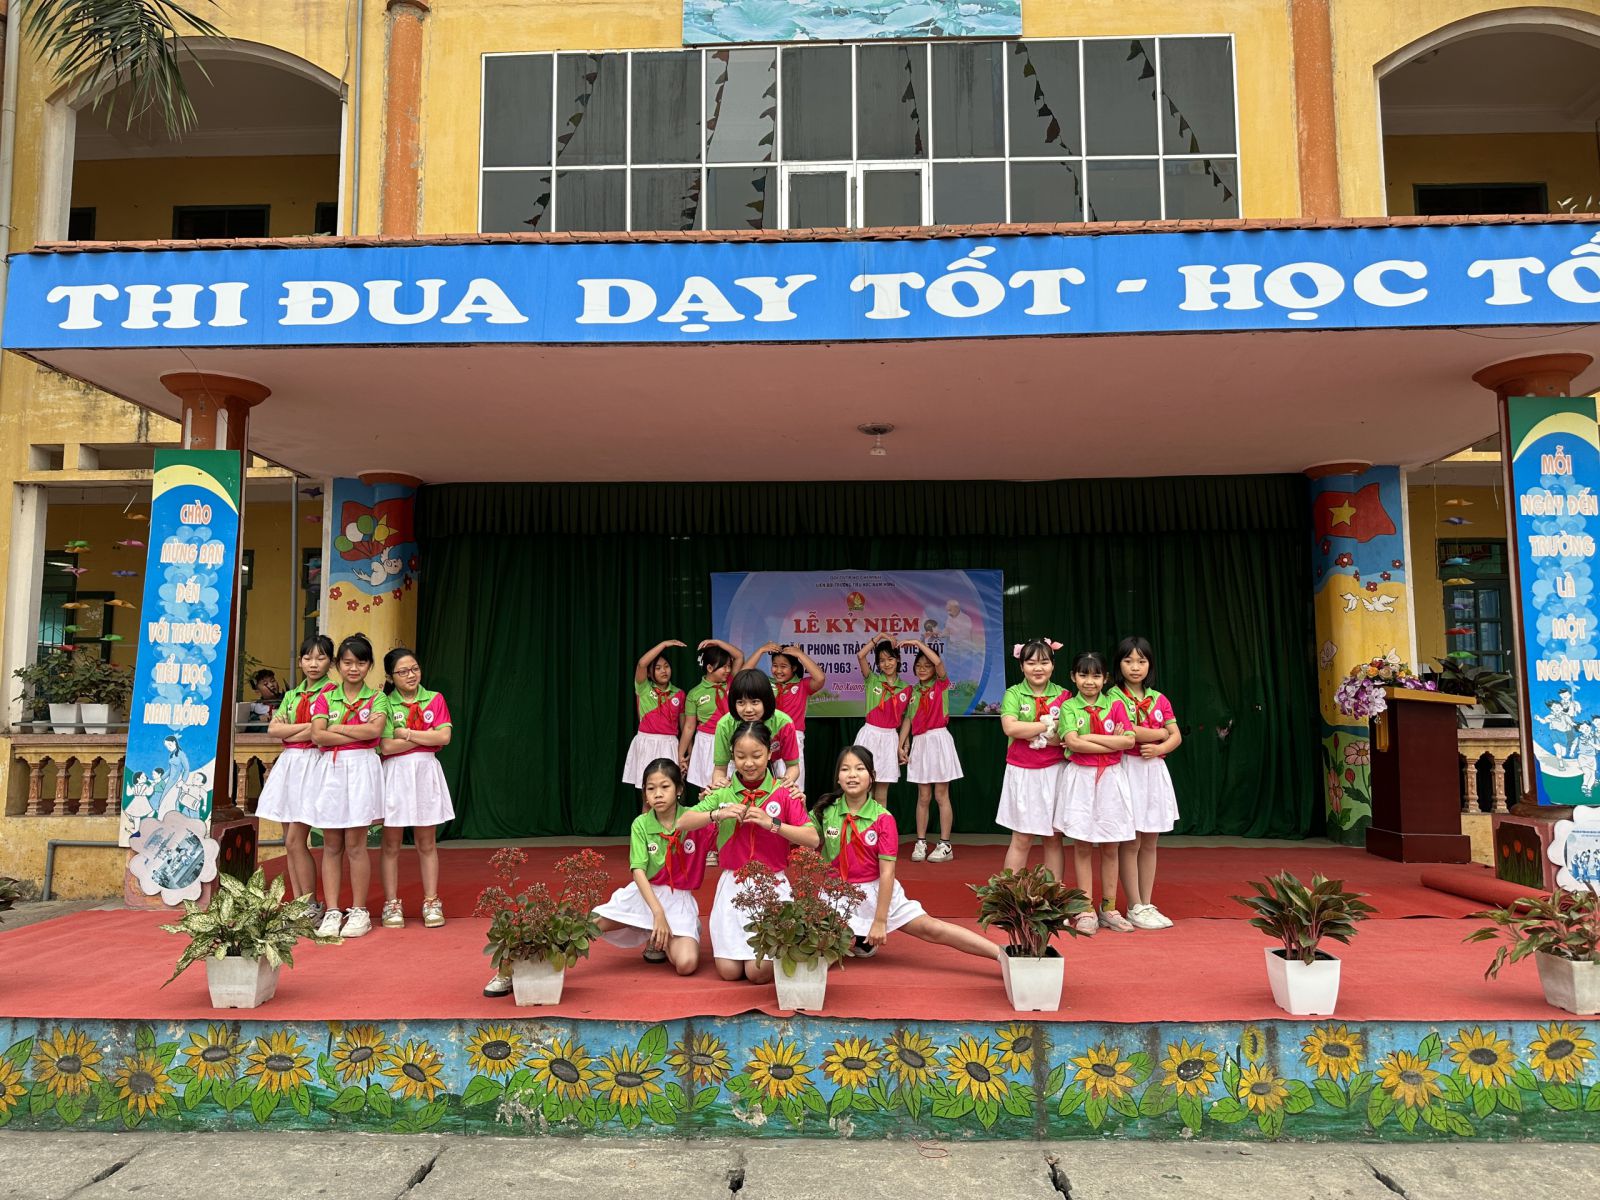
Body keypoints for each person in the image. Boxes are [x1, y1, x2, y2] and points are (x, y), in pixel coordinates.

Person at [812, 746, 1000, 964]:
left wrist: (880, 920)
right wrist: (786, 813)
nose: (852, 775)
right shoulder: (826, 810)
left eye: (860, 769)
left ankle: (1002, 955)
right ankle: (861, 936)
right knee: (817, 953)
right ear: (838, 777)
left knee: (931, 929)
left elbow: (887, 873)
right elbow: (802, 834)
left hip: (877, 892)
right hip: (836, 893)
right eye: (845, 769)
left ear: (872, 777)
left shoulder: (883, 819)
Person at [686, 722, 818, 983]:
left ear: (769, 754)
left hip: (772, 885)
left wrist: (773, 824)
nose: (748, 763)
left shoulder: (784, 792)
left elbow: (812, 838)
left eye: (756, 755)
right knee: (729, 973)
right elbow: (683, 822)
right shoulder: (723, 791)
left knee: (759, 973)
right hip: (732, 885)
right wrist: (716, 813)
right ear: (732, 757)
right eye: (740, 756)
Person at [593, 759, 713, 976]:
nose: (658, 794)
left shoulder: (694, 818)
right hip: (645, 894)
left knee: (686, 964)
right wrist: (657, 914)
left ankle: (664, 938)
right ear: (645, 794)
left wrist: (715, 800)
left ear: (679, 789)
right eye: (651, 788)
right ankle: (541, 955)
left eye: (665, 787)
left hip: (678, 898)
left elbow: (723, 831)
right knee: (593, 925)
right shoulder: (640, 823)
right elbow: (638, 871)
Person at [309, 633, 389, 939]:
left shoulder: (377, 698)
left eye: (360, 663)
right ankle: (332, 910)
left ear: (369, 666)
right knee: (331, 844)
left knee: (356, 844)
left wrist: (338, 728)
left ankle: (358, 910)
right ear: (338, 665)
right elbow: (318, 735)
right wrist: (356, 731)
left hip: (362, 769)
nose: (353, 668)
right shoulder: (326, 697)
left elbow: (374, 733)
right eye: (347, 662)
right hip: (331, 769)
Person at [1054, 650, 1136, 936]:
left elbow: (1129, 741)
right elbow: (1073, 744)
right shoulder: (1068, 707)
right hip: (1081, 778)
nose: (1090, 681)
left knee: (1111, 845)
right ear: (1073, 677)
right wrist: (1109, 742)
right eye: (1083, 675)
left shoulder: (1115, 704)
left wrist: (1089, 737)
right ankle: (1085, 908)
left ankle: (1109, 907)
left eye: (1096, 675)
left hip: (1111, 778)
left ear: (1106, 678)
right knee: (1082, 845)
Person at [255, 635, 337, 920]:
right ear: (300, 661)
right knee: (289, 841)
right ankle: (299, 904)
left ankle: (311, 903)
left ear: (330, 662)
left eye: (321, 658)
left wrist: (295, 730)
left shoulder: (333, 694)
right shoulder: (291, 695)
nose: (313, 664)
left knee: (295, 840)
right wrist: (307, 728)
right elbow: (273, 730)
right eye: (307, 658)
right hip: (289, 764)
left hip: (315, 763)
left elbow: (320, 733)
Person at [1108, 636, 1183, 930]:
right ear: (1119, 664)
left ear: (1150, 664)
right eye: (1128, 661)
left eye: (1141, 661)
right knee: (1131, 840)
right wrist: (1160, 734)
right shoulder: (1113, 696)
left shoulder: (1159, 698)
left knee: (1150, 840)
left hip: (1153, 771)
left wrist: (1162, 746)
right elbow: (1128, 732)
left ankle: (1146, 903)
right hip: (1127, 769)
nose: (1135, 667)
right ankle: (1134, 904)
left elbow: (1176, 735)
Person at [378, 646, 455, 930]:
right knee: (391, 844)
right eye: (403, 672)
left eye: (414, 669)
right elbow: (387, 746)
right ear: (390, 676)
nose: (411, 675)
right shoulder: (385, 703)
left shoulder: (434, 698)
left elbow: (444, 737)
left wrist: (408, 734)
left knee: (427, 842)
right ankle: (391, 903)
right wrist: (426, 737)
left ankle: (431, 901)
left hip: (425, 772)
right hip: (395, 774)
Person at [996, 638, 1069, 879]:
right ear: (1021, 666)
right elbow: (1010, 728)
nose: (1038, 668)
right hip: (1023, 771)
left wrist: (1030, 730)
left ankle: (1054, 893)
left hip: (1055, 771)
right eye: (1031, 663)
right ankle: (1010, 895)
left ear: (1053, 665)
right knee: (1022, 837)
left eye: (1044, 662)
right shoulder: (1013, 693)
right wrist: (1048, 725)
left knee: (1053, 837)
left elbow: (1064, 738)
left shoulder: (1064, 695)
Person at [897, 639, 961, 863]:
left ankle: (945, 844)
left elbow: (939, 663)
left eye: (927, 665)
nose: (922, 669)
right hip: (921, 743)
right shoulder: (913, 691)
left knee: (941, 795)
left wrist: (917, 643)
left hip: (939, 739)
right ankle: (921, 842)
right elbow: (908, 719)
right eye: (918, 665)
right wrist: (901, 744)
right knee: (923, 796)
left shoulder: (941, 684)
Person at [746, 641, 825, 791]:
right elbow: (743, 675)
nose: (778, 671)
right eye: (775, 666)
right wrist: (761, 650)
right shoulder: (766, 684)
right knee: (771, 784)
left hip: (793, 736)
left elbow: (820, 678)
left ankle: (795, 806)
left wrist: (800, 654)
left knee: (794, 785)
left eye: (783, 666)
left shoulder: (802, 685)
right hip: (768, 736)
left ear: (794, 668)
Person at [708, 668, 801, 793]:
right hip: (736, 769)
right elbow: (720, 769)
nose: (748, 709)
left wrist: (784, 784)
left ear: (766, 700)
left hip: (776, 767)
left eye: (755, 702)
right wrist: (720, 783)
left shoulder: (784, 723)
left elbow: (793, 766)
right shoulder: (724, 725)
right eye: (741, 702)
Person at [623, 640, 687, 793]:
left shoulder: (679, 693)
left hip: (670, 744)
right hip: (646, 742)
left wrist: (684, 753)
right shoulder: (643, 687)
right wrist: (664, 644)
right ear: (649, 673)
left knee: (670, 788)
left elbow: (684, 727)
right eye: (658, 668)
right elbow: (641, 664)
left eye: (666, 666)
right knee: (648, 790)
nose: (664, 671)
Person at [855, 635, 913, 803]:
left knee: (882, 791)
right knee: (864, 786)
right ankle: (860, 820)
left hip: (890, 738)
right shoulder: (872, 679)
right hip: (869, 735)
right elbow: (860, 655)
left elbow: (906, 719)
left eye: (890, 659)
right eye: (881, 660)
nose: (886, 664)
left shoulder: (907, 689)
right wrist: (880, 636)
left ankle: (880, 821)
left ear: (898, 659)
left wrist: (904, 745)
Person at [679, 639, 743, 791]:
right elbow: (689, 727)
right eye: (723, 666)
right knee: (707, 789)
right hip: (706, 743)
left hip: (731, 739)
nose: (728, 670)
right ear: (709, 667)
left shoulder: (733, 682)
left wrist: (716, 642)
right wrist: (681, 754)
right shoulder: (695, 694)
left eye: (729, 666)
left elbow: (739, 656)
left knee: (732, 787)